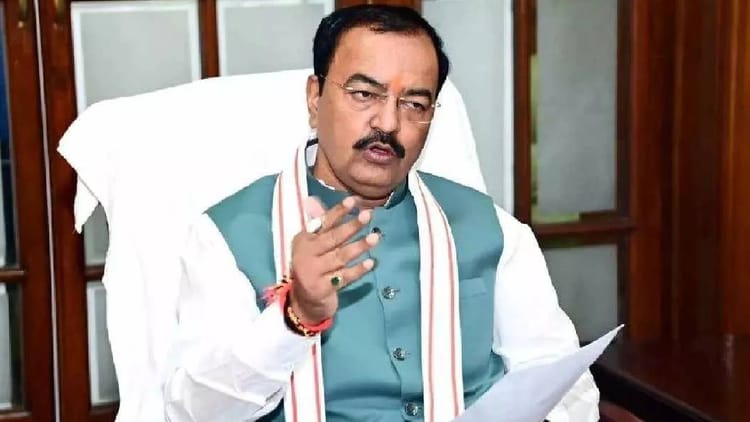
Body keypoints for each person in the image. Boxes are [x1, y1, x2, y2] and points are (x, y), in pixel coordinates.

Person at [164, 5, 599, 421]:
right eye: (364, 94)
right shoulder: (227, 237)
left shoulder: (492, 229)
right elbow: (196, 413)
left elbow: (563, 385)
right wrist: (295, 317)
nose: (388, 123)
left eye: (414, 104)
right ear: (315, 98)